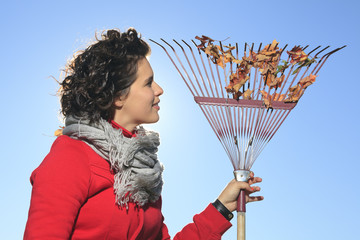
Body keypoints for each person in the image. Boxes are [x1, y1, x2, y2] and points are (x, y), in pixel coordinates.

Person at [24, 28, 263, 240]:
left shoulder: (143, 171)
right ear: (118, 96)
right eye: (148, 83)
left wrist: (222, 207)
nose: (159, 89)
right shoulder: (71, 157)